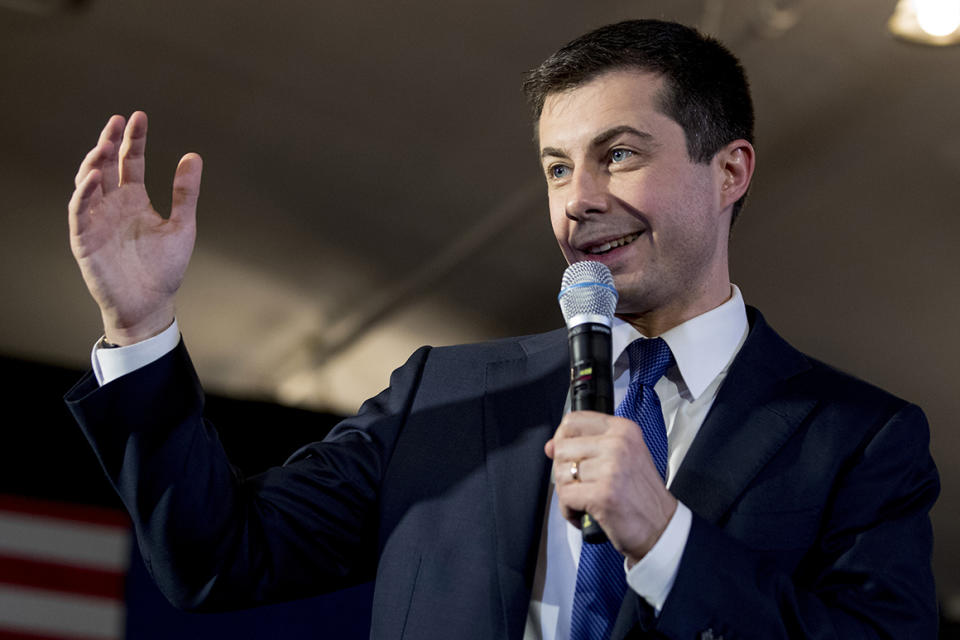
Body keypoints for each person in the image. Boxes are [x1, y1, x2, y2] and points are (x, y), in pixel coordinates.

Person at [65, 19, 939, 640]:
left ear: (730, 170)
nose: (579, 198)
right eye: (557, 167)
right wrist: (139, 324)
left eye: (620, 154)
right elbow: (219, 558)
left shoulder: (860, 440)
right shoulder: (442, 393)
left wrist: (665, 538)